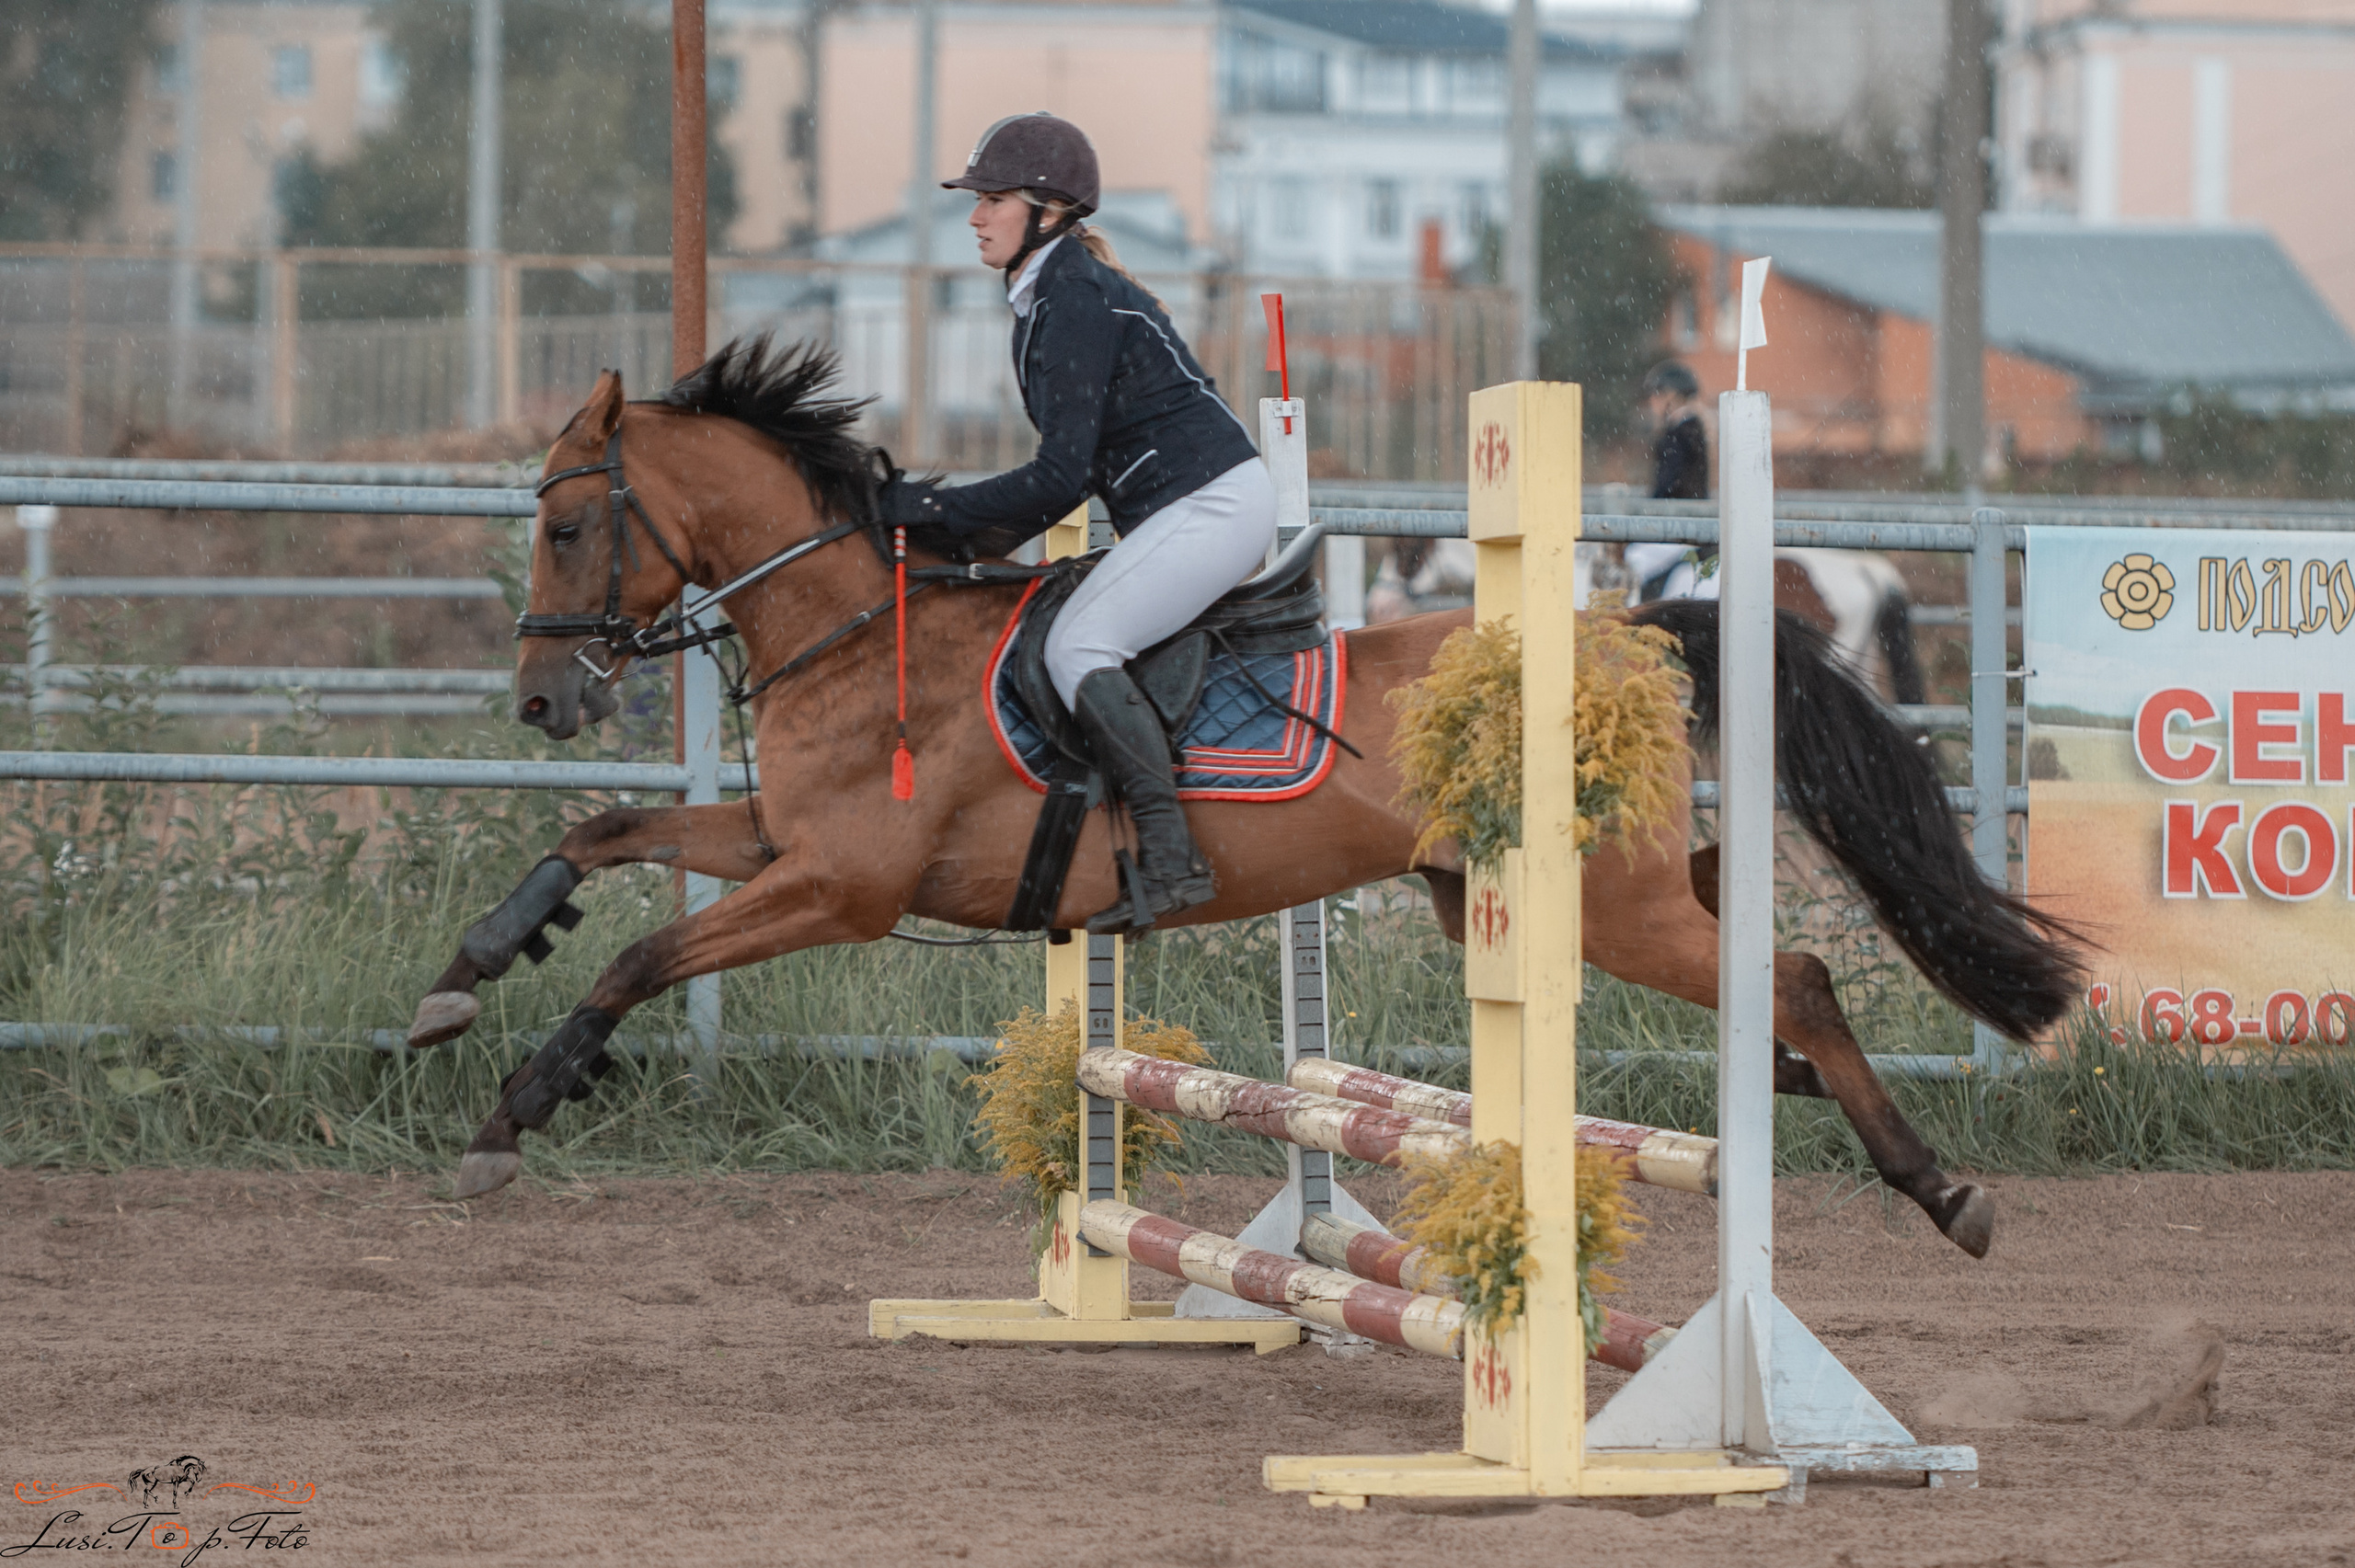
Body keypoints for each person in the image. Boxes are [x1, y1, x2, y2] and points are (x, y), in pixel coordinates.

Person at [878, 112, 1274, 935]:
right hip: (1186, 507)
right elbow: (1072, 474)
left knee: (1077, 646)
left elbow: (1061, 479)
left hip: (1212, 506)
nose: (976, 216)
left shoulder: (1074, 300)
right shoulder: (1047, 298)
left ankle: (1169, 857)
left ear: (1047, 210)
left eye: (992, 200)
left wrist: (929, 509)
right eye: (978, 200)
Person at [1626, 360, 1709, 601]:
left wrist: (1645, 512)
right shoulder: (1691, 429)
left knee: (1633, 561)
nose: (1651, 401)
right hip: (1683, 517)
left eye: (1656, 395)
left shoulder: (1679, 433)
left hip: (1680, 521)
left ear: (1670, 396)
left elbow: (1668, 485)